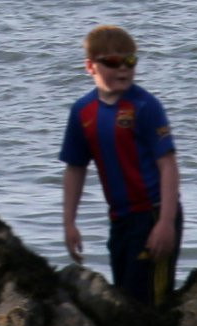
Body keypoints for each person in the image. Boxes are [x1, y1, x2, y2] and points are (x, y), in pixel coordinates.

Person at [58, 26, 182, 307]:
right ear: (90, 66)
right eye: (112, 63)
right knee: (123, 296)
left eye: (130, 61)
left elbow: (168, 165)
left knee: (151, 301)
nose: (123, 69)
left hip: (153, 214)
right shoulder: (82, 112)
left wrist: (165, 222)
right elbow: (75, 169)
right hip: (120, 220)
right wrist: (69, 222)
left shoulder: (146, 106)